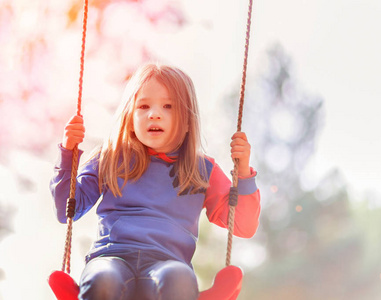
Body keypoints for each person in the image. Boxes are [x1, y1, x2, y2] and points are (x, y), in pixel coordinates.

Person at [50, 63, 261, 300]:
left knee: (178, 279)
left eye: (168, 106)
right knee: (103, 280)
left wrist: (243, 172)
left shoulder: (202, 170)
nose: (154, 113)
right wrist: (68, 152)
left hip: (168, 261)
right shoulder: (109, 159)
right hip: (111, 257)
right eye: (144, 106)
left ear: (188, 119)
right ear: (130, 117)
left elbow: (243, 225)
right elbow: (68, 208)